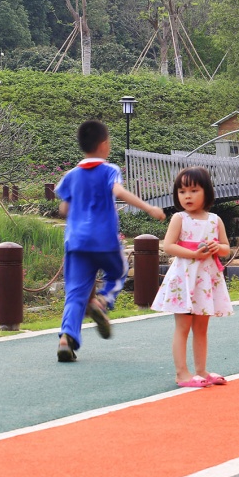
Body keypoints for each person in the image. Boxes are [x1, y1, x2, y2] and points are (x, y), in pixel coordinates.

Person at [55, 120, 166, 362]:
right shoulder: (109, 170)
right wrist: (149, 208)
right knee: (118, 272)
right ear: (104, 145)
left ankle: (66, 339)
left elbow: (64, 207)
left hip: (75, 243)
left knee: (75, 292)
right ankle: (102, 302)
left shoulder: (70, 176)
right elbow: (118, 192)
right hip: (103, 240)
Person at [151, 167, 233, 388]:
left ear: (206, 192)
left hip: (204, 279)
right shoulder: (179, 218)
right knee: (183, 326)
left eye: (194, 190)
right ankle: (182, 373)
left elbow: (226, 247)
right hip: (185, 278)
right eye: (182, 191)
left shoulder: (215, 220)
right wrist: (194, 254)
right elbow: (168, 245)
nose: (187, 196)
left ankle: (201, 370)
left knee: (201, 327)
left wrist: (218, 247)